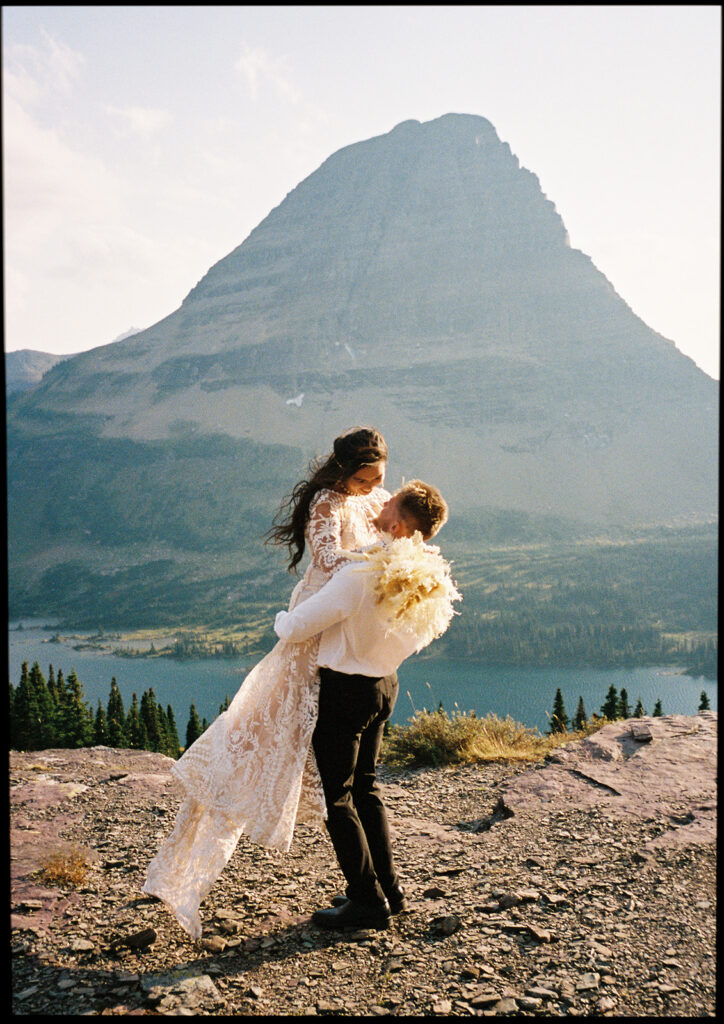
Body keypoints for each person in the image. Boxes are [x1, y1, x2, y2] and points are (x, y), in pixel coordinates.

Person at [142, 426, 390, 940]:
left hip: (354, 646)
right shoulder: (327, 501)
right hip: (315, 637)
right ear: (344, 471)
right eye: (364, 479)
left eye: (378, 478)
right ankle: (188, 867)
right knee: (257, 748)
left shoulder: (377, 500)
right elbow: (327, 562)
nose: (372, 487)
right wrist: (383, 564)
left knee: (352, 784)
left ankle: (373, 894)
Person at [274, 479, 460, 931]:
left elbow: (297, 628)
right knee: (367, 789)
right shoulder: (427, 576)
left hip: (345, 691)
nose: (380, 499)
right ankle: (389, 891)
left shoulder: (361, 574)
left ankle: (365, 901)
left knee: (338, 799)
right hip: (384, 686)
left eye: (389, 500)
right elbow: (423, 632)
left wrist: (282, 616)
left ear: (396, 523)